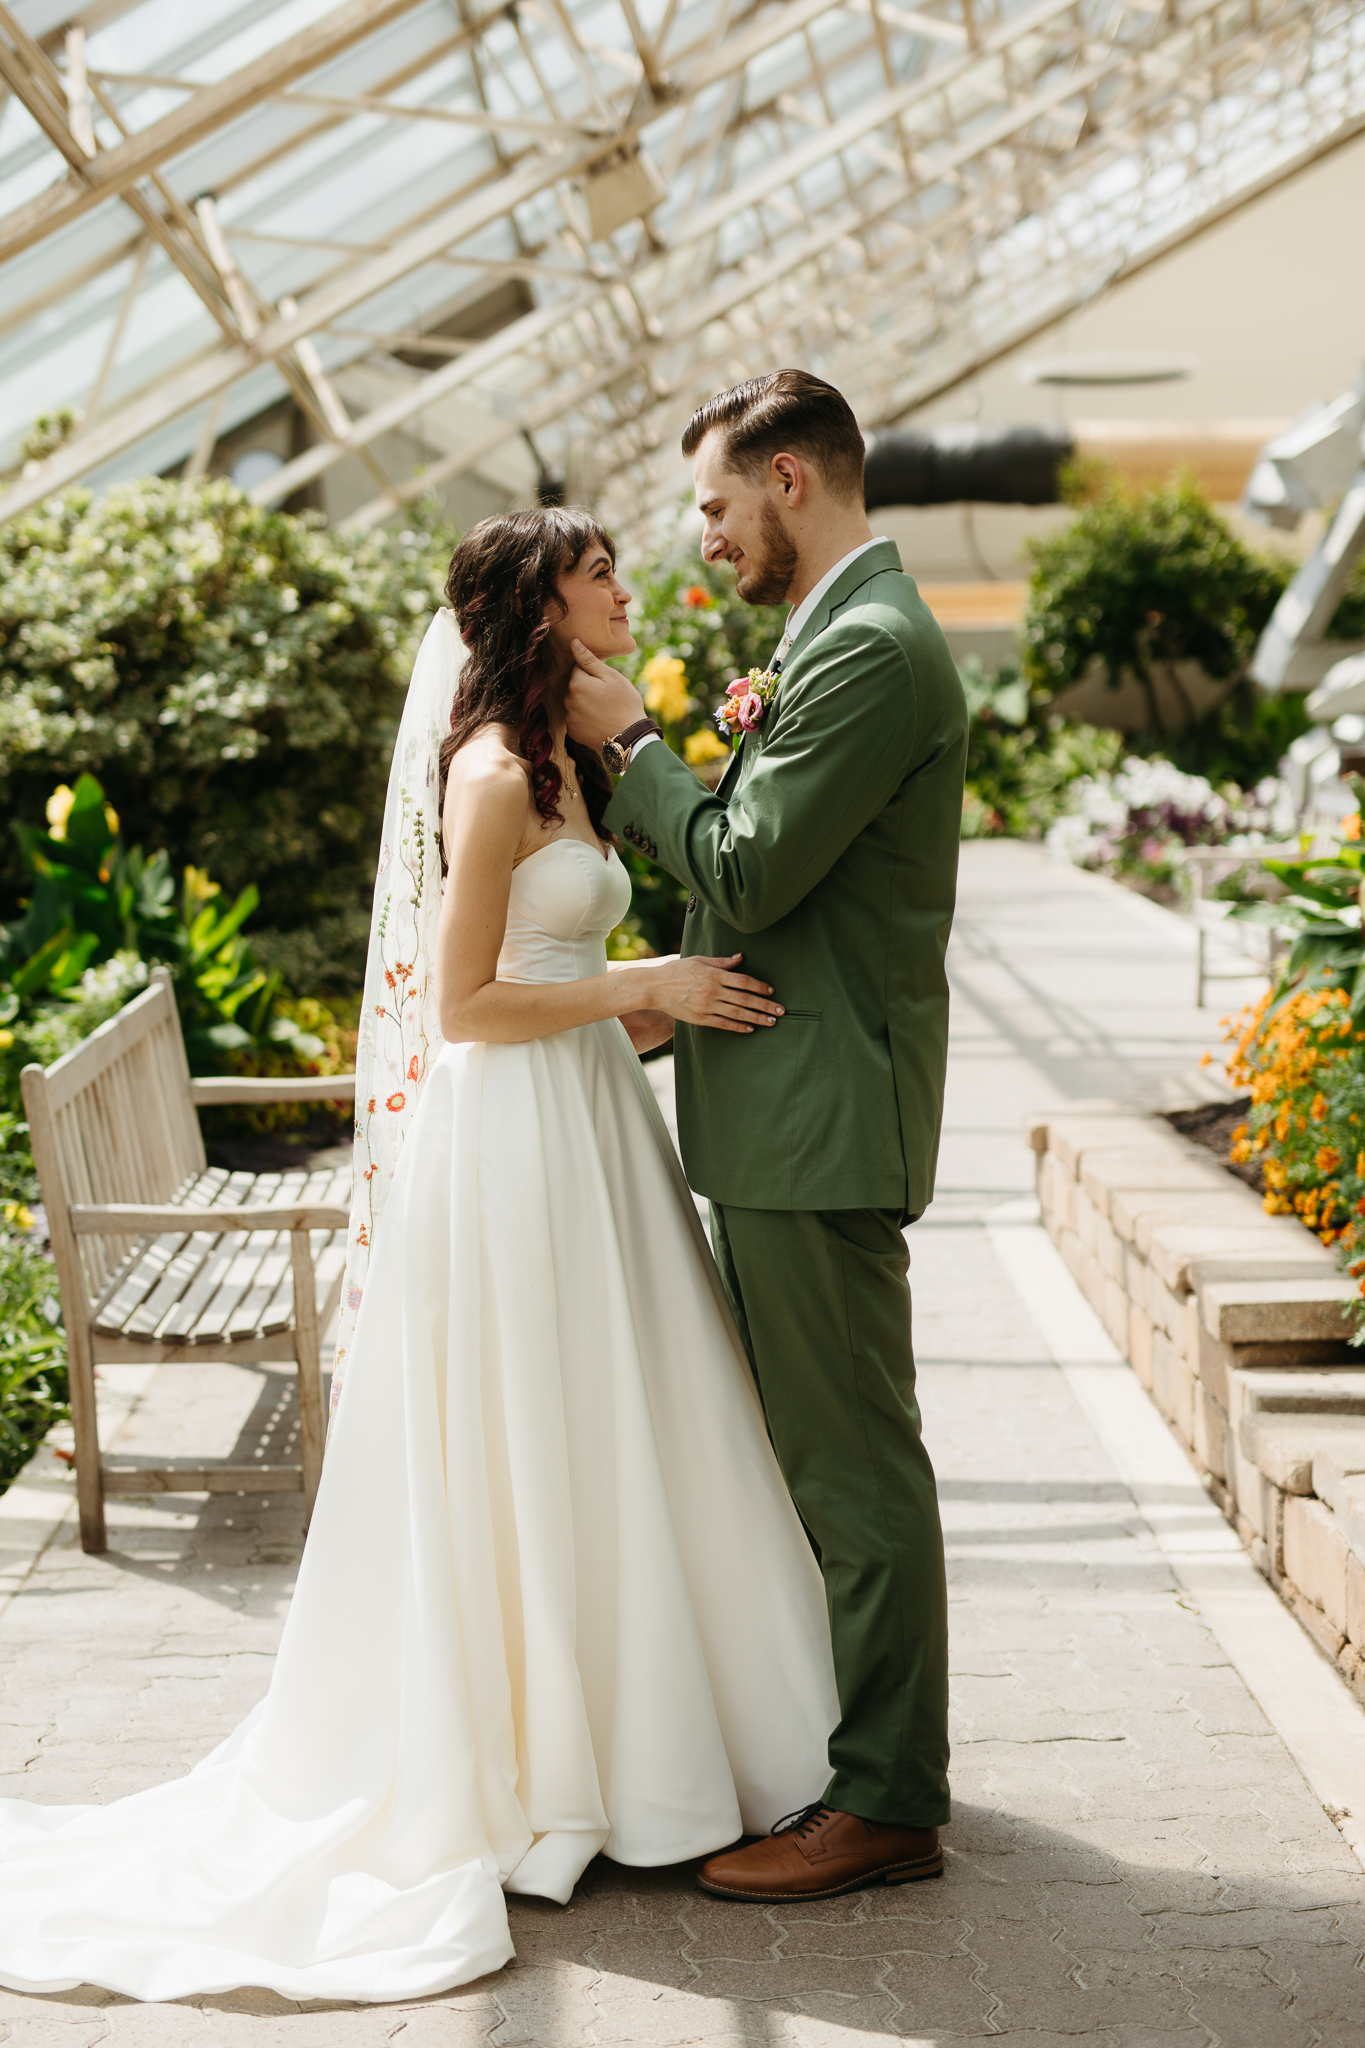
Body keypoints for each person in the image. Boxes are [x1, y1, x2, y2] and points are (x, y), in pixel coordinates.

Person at [0, 507, 840, 2004]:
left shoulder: (569, 765)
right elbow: (461, 1008)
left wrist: (649, 1007)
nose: (629, 589)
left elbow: (557, 968)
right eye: (601, 577)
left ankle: (651, 1739)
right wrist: (640, 981)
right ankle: (541, 1761)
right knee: (532, 1423)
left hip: (584, 1122)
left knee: (617, 1417)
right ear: (540, 609)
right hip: (511, 1134)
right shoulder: (491, 774)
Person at [566, 369, 968, 1903]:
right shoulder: (828, 636)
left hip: (819, 1122)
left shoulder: (868, 647)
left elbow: (746, 866)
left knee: (853, 1470)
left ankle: (884, 1798)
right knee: (818, 1461)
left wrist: (631, 743)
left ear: (791, 479)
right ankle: (852, 1761)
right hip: (783, 1109)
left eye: (719, 506)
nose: (706, 539)